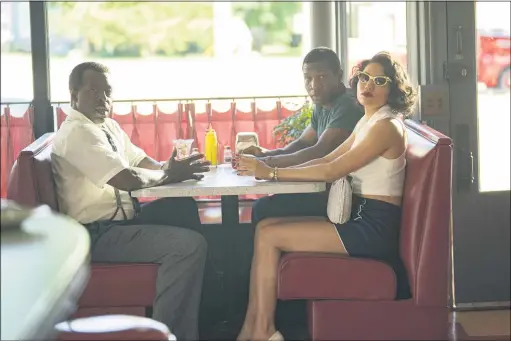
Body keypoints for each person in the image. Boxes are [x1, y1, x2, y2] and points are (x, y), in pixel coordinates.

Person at [235, 52, 417, 341]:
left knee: (269, 235)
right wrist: (268, 165)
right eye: (365, 78)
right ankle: (254, 329)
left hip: (373, 227)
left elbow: (332, 169)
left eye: (380, 80)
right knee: (265, 228)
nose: (368, 85)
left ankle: (262, 331)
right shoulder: (369, 120)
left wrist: (270, 173)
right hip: (358, 218)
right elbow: (327, 158)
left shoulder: (386, 126)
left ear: (392, 89)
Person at [51, 62, 210, 341]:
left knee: (181, 207)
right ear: (73, 94)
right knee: (188, 247)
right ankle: (172, 334)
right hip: (95, 234)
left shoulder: (106, 126)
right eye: (93, 91)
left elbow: (140, 161)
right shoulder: (77, 133)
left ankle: (212, 312)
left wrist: (173, 168)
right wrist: (167, 174)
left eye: (107, 92)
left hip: (120, 222)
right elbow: (127, 178)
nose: (103, 99)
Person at [244, 47, 364, 227]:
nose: (314, 86)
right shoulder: (322, 103)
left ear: (338, 75)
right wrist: (263, 156)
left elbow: (319, 151)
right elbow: (304, 142)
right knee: (265, 206)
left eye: (322, 77)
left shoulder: (347, 105)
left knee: (262, 208)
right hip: (323, 188)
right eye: (308, 78)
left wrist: (267, 162)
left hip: (343, 199)